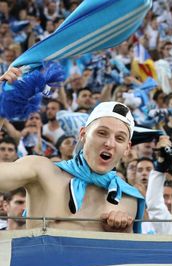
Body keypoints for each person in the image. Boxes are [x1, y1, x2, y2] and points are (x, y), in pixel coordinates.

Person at [0, 70, 145, 233]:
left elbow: (127, 255)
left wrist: (121, 232)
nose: (109, 143)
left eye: (119, 138)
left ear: (127, 148)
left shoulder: (129, 198)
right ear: (83, 134)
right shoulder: (42, 171)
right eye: (101, 133)